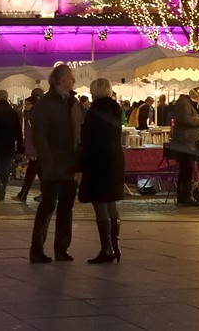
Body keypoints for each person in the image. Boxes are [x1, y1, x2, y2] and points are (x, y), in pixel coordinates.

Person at [31, 63, 84, 262]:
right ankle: (37, 249)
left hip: (71, 163)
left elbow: (79, 133)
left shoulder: (72, 103)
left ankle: (62, 248)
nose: (73, 80)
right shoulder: (45, 104)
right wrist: (47, 160)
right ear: (60, 80)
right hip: (54, 163)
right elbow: (40, 135)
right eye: (71, 77)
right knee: (47, 205)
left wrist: (79, 161)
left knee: (66, 207)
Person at [78, 77, 125, 264]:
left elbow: (89, 138)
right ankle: (116, 246)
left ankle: (107, 248)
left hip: (99, 160)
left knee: (99, 203)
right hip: (115, 158)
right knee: (111, 202)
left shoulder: (94, 111)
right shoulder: (116, 109)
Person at [169, 86, 199, 206]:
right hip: (185, 143)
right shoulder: (185, 104)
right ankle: (185, 196)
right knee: (186, 170)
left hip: (186, 143)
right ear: (196, 97)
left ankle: (184, 195)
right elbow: (185, 119)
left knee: (186, 170)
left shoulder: (185, 104)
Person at [0, 89, 21, 202]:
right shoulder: (13, 112)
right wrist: (20, 147)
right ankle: (3, 186)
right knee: (5, 167)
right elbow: (18, 131)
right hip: (8, 144)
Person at [15, 87, 44, 202]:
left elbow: (35, 135)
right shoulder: (28, 116)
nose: (26, 106)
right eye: (25, 103)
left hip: (36, 151)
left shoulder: (33, 117)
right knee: (37, 173)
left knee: (33, 173)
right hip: (35, 150)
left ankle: (23, 194)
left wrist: (32, 151)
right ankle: (24, 194)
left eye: (28, 104)